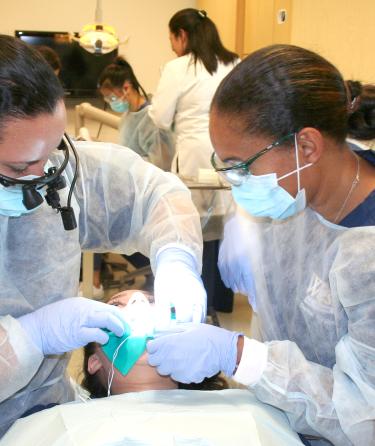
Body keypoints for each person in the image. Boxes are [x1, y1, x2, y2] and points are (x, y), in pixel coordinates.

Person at [146, 45, 375, 445]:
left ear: (307, 146)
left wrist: (238, 356)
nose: (236, 183)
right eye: (225, 166)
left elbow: (364, 416)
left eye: (240, 166)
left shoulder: (365, 253)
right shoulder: (295, 197)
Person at [0, 35, 206, 437]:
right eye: (22, 165)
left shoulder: (58, 170)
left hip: (48, 413)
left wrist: (177, 260)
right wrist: (29, 337)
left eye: (52, 153)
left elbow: (154, 193)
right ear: (94, 363)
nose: (43, 177)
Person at [149, 8, 240, 312]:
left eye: (172, 38)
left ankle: (198, 305)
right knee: (223, 226)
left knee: (193, 229)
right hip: (230, 153)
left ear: (182, 35)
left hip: (193, 154)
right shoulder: (233, 62)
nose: (172, 45)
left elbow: (160, 118)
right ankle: (221, 300)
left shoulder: (178, 68)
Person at [82, 290, 226, 397]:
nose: (139, 302)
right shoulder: (70, 423)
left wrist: (237, 353)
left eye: (152, 301)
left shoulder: (235, 412)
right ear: (95, 362)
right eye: (116, 305)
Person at [98, 57, 175, 171]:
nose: (111, 103)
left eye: (112, 97)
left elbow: (161, 165)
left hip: (151, 184)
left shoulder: (151, 118)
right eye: (108, 99)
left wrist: (124, 163)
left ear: (126, 88)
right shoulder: (127, 117)